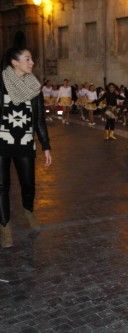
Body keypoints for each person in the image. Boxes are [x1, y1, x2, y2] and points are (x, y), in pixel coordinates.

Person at [0, 43, 52, 248]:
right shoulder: (1, 82)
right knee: (2, 186)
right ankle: (4, 228)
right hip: (1, 142)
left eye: (31, 59)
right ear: (15, 62)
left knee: (28, 184)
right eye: (27, 59)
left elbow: (39, 119)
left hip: (24, 141)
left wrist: (46, 145)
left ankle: (28, 210)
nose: (32, 62)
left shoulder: (34, 87)